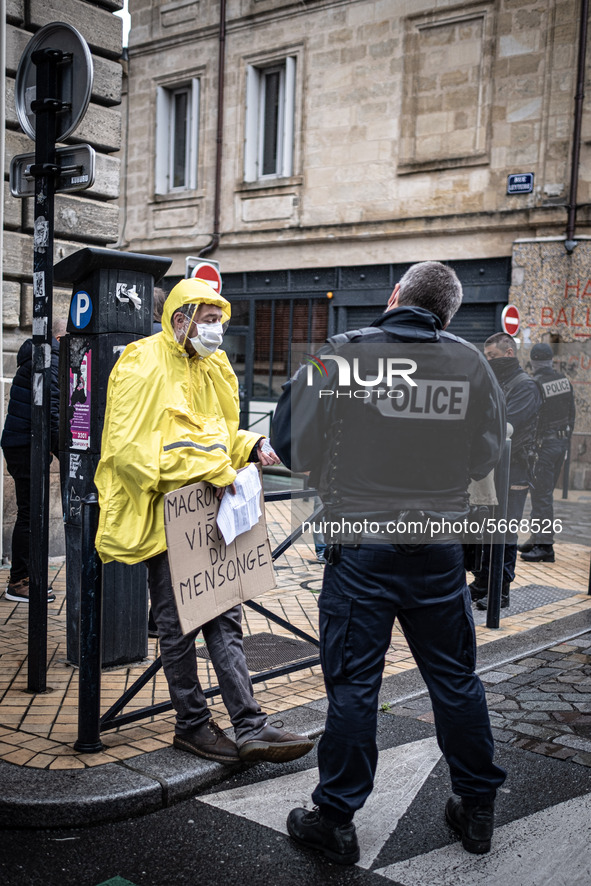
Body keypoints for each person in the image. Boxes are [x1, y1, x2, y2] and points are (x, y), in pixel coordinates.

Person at [271, 261, 507, 863]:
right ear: (448, 314)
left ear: (395, 295)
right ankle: (477, 808)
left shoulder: (339, 355)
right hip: (438, 550)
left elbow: (293, 445)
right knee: (455, 681)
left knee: (354, 686)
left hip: (361, 549)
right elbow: (486, 456)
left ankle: (336, 819)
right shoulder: (473, 364)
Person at [94, 277, 314, 766]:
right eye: (208, 321)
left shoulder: (213, 365)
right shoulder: (140, 361)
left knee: (226, 615)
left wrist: (248, 447)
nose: (216, 330)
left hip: (210, 515)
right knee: (178, 626)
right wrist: (212, 467)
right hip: (165, 518)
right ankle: (192, 725)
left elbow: (217, 434)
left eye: (219, 321)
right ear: (180, 320)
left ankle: (250, 725)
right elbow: (130, 452)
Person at [470, 332, 542, 610]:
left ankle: (500, 591)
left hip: (515, 471)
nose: (489, 361)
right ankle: (482, 583)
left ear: (509, 353)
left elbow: (506, 425)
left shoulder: (526, 386)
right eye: (486, 357)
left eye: (493, 357)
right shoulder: (497, 382)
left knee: (505, 531)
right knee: (486, 529)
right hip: (491, 469)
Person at [1, 320, 66, 603]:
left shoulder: (37, 355)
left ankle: (23, 577)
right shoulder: (48, 360)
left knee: (30, 512)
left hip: (22, 443)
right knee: (30, 514)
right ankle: (19, 581)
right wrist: (64, 452)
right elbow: (52, 412)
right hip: (26, 445)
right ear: (59, 338)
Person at [518, 342, 575, 563]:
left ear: (533, 361)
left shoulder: (536, 384)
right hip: (560, 445)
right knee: (544, 493)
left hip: (544, 447)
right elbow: (572, 414)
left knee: (541, 496)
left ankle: (545, 546)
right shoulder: (564, 381)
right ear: (551, 360)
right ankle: (536, 537)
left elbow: (534, 419)